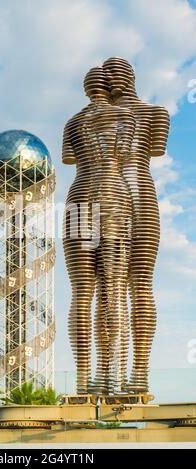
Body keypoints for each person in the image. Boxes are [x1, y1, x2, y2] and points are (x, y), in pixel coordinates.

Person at [62, 66, 135, 394]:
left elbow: (68, 159)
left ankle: (82, 379)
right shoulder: (125, 118)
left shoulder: (72, 123)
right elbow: (125, 155)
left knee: (81, 291)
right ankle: (113, 377)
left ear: (85, 88)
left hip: (78, 197)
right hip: (112, 194)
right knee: (113, 288)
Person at [103, 57, 170, 393]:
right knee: (110, 288)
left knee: (137, 283)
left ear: (130, 76)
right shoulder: (106, 119)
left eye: (117, 72)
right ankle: (112, 376)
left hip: (132, 193)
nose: (112, 79)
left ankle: (136, 374)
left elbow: (154, 150)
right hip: (120, 195)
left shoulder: (156, 113)